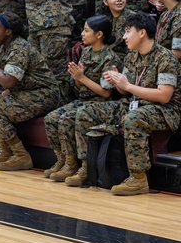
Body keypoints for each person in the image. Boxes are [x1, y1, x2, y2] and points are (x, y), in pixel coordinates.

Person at [69, 13, 181, 195]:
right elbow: (126, 92)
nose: (123, 37)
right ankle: (86, 166)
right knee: (86, 112)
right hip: (134, 103)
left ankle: (138, 178)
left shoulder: (165, 58)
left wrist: (127, 85)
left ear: (142, 33)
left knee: (133, 119)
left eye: (128, 32)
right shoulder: (132, 56)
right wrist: (118, 83)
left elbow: (164, 95)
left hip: (164, 110)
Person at [0, 12, 61, 171]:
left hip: (42, 93)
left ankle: (21, 155)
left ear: (8, 32)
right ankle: (5, 151)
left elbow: (8, 81)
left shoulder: (20, 48)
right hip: (22, 91)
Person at [44, 15, 117, 181]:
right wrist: (77, 77)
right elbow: (78, 87)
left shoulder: (109, 58)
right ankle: (64, 160)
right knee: (50, 118)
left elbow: (106, 93)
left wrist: (82, 77)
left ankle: (83, 166)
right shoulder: (86, 52)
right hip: (83, 100)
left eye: (86, 30)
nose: (82, 34)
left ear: (99, 35)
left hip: (99, 103)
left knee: (66, 119)